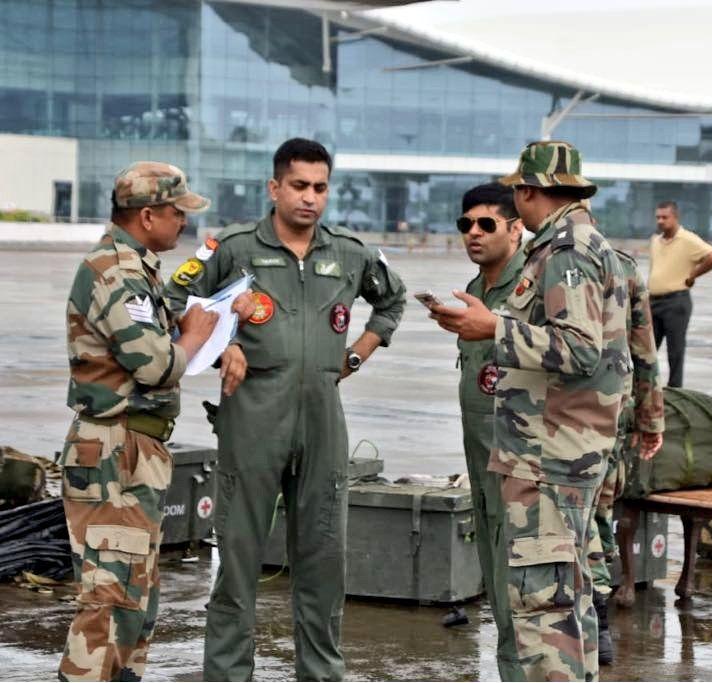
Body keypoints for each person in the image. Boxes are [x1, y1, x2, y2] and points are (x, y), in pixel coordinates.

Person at [165, 138, 406, 681]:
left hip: (323, 417)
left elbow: (391, 300)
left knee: (323, 557)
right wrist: (221, 341)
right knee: (239, 557)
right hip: (252, 414)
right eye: (299, 186)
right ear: (274, 187)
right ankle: (227, 674)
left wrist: (360, 353)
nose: (310, 198)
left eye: (320, 188)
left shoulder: (348, 251)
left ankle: (320, 674)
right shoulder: (232, 248)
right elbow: (174, 299)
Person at [431, 140, 629, 681]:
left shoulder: (566, 251)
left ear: (529, 192)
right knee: (570, 605)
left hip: (550, 457)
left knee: (542, 612)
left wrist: (493, 328)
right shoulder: (579, 244)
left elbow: (580, 349)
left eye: (517, 191)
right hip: (565, 451)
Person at [58, 162, 223, 681]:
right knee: (110, 598)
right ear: (148, 215)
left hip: (133, 449)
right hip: (113, 450)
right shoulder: (117, 272)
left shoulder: (136, 267)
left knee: (134, 594)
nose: (183, 223)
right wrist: (195, 334)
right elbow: (154, 363)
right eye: (177, 213)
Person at [451, 182, 525, 680]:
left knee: (524, 593)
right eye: (465, 225)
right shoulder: (474, 292)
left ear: (516, 228)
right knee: (498, 587)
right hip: (484, 465)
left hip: (527, 468)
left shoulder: (535, 287)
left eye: (486, 224)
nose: (473, 234)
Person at [586, 249, 665, 665]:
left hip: (586, 415)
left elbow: (644, 348)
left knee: (589, 519)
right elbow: (645, 351)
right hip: (611, 411)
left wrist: (650, 419)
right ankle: (597, 623)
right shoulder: (623, 265)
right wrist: (650, 419)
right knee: (597, 516)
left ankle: (595, 619)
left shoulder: (544, 257)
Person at [648, 201, 712, 388]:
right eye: (658, 217)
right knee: (646, 349)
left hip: (676, 301)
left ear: (675, 218)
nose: (661, 221)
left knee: (675, 350)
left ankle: (674, 389)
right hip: (653, 301)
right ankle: (645, 388)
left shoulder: (687, 239)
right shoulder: (655, 241)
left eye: (665, 217)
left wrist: (693, 275)